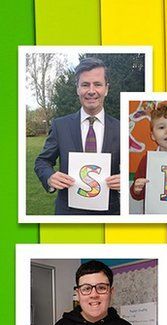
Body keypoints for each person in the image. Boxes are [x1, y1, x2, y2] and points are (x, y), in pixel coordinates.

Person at [34, 57, 122, 215]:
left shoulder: (120, 128)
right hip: (68, 212)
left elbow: (132, 169)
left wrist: (124, 180)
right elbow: (42, 161)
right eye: (85, 85)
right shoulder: (60, 125)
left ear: (106, 89)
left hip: (110, 213)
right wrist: (50, 177)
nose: (91, 91)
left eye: (97, 84)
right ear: (77, 89)